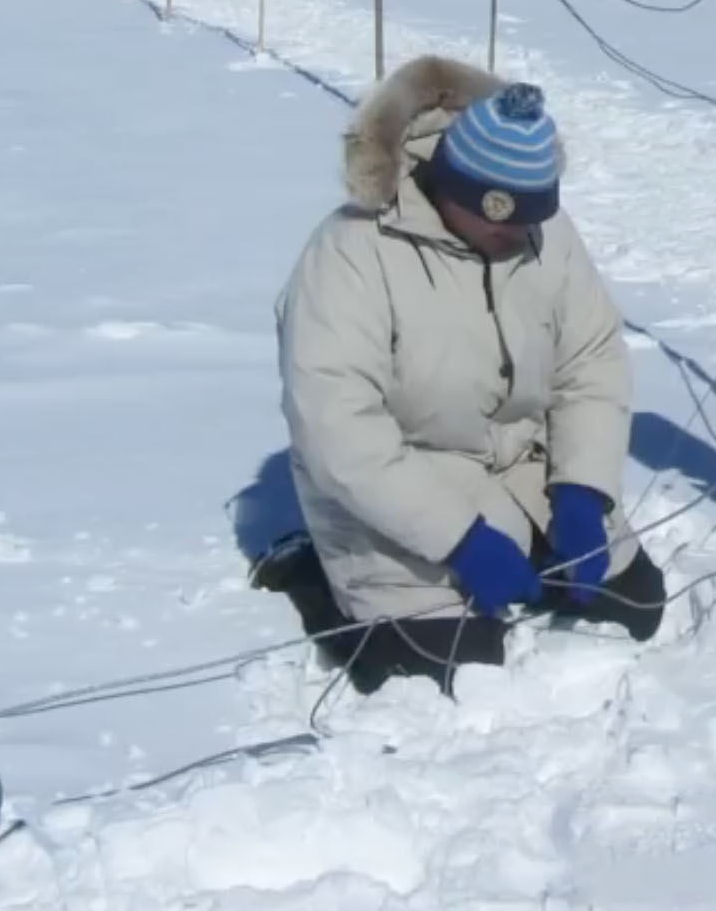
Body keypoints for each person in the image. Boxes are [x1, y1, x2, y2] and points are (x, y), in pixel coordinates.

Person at [251, 53, 665, 697]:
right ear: (462, 195)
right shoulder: (350, 256)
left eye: (537, 218)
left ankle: (527, 541)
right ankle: (313, 573)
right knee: (446, 671)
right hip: (397, 491)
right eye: (509, 224)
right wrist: (460, 539)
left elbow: (591, 361)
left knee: (635, 608)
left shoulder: (539, 232)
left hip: (517, 469)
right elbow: (340, 433)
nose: (526, 237)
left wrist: (581, 493)